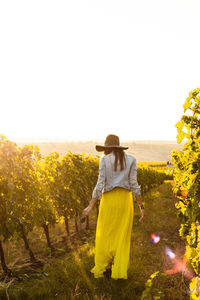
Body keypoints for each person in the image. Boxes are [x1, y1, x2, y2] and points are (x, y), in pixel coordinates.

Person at [82, 134, 144, 280]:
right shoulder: (131, 160)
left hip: (108, 201)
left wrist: (90, 206)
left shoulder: (104, 160)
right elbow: (134, 185)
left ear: (106, 147)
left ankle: (104, 268)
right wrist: (141, 206)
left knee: (106, 235)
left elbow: (100, 184)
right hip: (124, 201)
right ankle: (118, 270)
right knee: (121, 236)